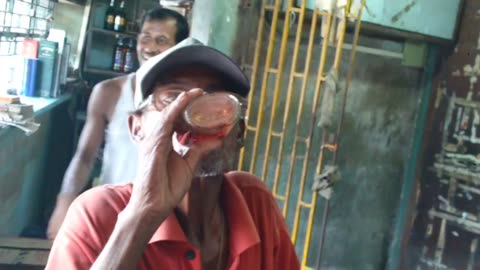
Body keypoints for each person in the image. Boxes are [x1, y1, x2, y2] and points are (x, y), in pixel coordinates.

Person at [46, 38, 300, 270]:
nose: (195, 116)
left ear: (240, 132)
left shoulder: (254, 202)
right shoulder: (97, 215)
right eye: (172, 98)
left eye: (217, 101)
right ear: (137, 128)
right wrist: (143, 214)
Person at [47, 7, 190, 240]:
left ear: (178, 49)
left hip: (164, 220)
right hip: (113, 211)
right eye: (145, 38)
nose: (150, 47)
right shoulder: (109, 92)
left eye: (161, 40)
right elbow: (84, 156)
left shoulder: (186, 101)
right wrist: (64, 202)